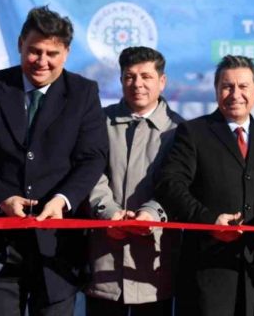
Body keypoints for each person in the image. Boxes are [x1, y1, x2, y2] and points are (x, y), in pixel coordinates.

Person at [0, 6, 109, 315]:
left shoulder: (83, 93)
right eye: (34, 51)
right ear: (20, 45)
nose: (42, 61)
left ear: (66, 53)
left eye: (52, 53)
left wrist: (62, 200)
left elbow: (92, 157)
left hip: (57, 247)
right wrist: (1, 198)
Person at [154, 55, 254, 316]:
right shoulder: (193, 133)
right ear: (216, 90)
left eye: (243, 86)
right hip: (207, 271)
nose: (235, 94)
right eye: (227, 86)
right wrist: (209, 220)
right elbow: (171, 184)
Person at [85, 46, 184, 315]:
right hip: (104, 260)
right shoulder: (99, 122)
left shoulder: (180, 130)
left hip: (154, 264)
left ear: (162, 81)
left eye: (146, 76)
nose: (137, 84)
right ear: (121, 80)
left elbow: (177, 183)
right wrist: (109, 212)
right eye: (129, 77)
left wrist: (151, 213)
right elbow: (90, 172)